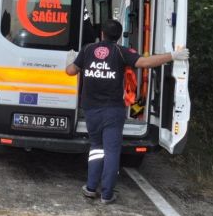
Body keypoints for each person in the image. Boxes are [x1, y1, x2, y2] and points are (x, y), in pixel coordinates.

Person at [65, 19, 189, 204]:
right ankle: (107, 195)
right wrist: (173, 55)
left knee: (96, 148)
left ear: (102, 34)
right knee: (112, 151)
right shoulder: (120, 52)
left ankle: (91, 188)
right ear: (118, 36)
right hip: (113, 111)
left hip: (91, 110)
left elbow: (70, 71)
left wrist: (71, 61)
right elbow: (146, 63)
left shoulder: (87, 50)